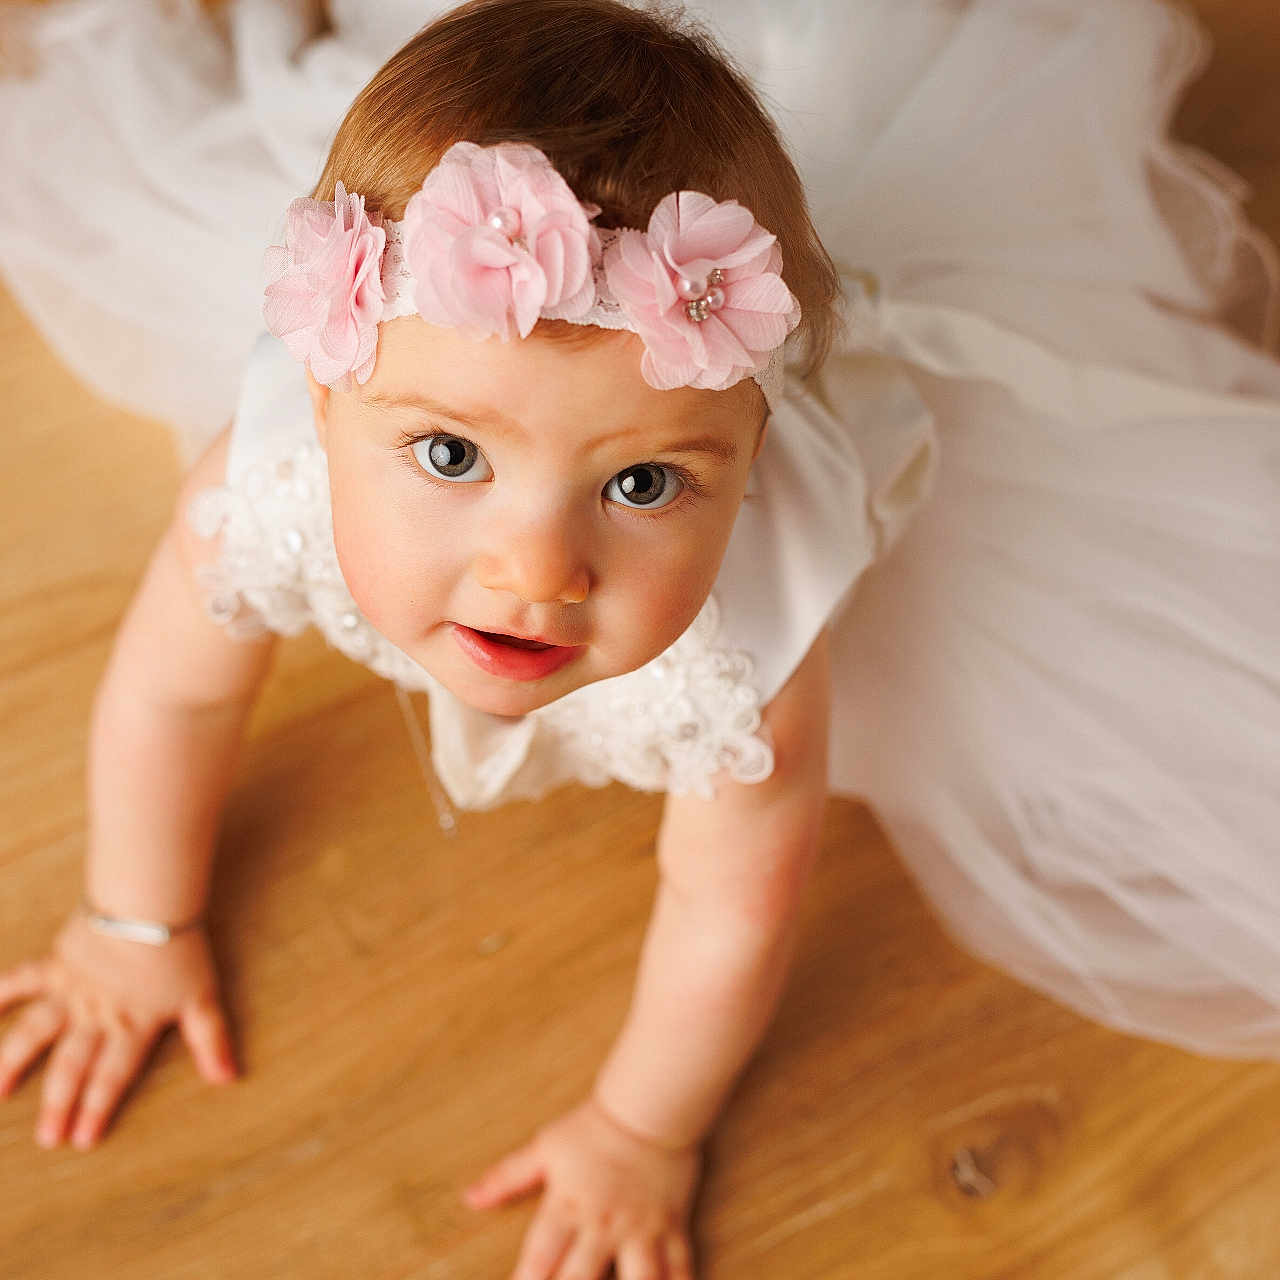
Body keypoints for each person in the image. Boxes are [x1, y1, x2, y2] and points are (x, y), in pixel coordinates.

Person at [0, 0, 1278, 1275]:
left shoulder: (748, 657)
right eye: (449, 453)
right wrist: (131, 922)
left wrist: (638, 1129)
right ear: (325, 400)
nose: (537, 572)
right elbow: (174, 697)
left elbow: (726, 908)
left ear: (750, 456)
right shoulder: (263, 485)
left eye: (645, 484)